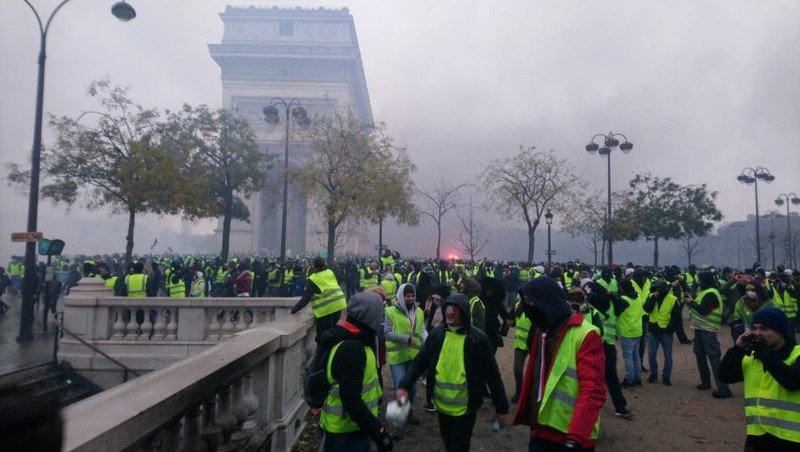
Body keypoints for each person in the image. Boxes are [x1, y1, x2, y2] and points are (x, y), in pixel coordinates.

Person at [395, 293, 509, 452]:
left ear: (464, 312)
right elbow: (421, 361)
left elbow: (493, 375)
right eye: (447, 308)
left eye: (455, 309)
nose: (450, 312)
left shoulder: (478, 339)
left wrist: (502, 407)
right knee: (448, 443)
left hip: (465, 409)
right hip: (441, 406)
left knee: (459, 446)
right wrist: (404, 385)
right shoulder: (437, 334)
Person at [514, 277, 607, 451]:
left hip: (570, 437)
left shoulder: (586, 335)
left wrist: (575, 437)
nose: (527, 310)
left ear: (545, 303)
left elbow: (594, 390)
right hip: (540, 429)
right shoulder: (542, 330)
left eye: (530, 303)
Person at [318, 291, 394, 452]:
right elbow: (351, 398)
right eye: (378, 314)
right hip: (345, 434)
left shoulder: (356, 339)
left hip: (352, 428)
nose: (380, 319)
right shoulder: (352, 348)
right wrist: (378, 432)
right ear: (369, 316)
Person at [719, 307, 800, 451]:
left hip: (792, 439)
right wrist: (738, 348)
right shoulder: (753, 357)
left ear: (781, 332)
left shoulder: (796, 354)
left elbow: (792, 381)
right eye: (755, 328)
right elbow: (725, 375)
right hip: (757, 436)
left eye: (764, 329)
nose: (757, 333)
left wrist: (764, 352)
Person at [384, 283, 426, 435]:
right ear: (401, 296)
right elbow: (387, 333)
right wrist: (406, 339)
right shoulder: (390, 311)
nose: (410, 298)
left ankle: (408, 411)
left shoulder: (419, 312)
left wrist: (429, 345)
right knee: (400, 387)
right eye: (407, 296)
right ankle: (397, 424)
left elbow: (422, 331)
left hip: (414, 357)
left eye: (412, 296)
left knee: (413, 389)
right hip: (397, 358)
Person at [684, 270, 733, 398]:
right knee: (699, 354)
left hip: (708, 329)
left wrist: (691, 303)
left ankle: (724, 388)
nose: (698, 283)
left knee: (714, 357)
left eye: (700, 280)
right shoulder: (706, 292)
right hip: (700, 328)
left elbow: (704, 310)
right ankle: (705, 381)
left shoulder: (711, 294)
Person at [290, 257, 347, 342]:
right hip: (339, 304)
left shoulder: (313, 279)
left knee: (323, 336)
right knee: (333, 331)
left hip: (326, 309)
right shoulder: (329, 272)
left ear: (314, 266)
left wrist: (293, 310)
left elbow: (305, 299)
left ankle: (323, 353)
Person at [643, 279, 682, 385]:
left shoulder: (672, 299)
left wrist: (671, 329)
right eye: (656, 288)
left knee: (668, 356)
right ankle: (654, 374)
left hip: (666, 331)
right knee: (651, 354)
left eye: (659, 288)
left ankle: (666, 376)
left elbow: (677, 317)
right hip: (653, 330)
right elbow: (647, 309)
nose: (657, 290)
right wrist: (653, 298)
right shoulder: (652, 296)